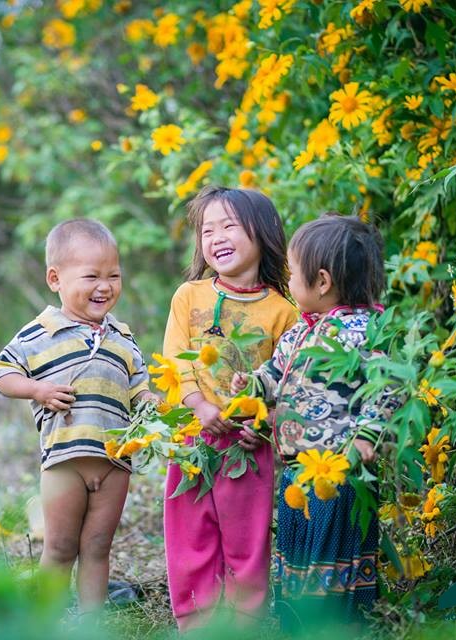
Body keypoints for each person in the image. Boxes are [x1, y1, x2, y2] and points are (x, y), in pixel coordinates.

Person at [231, 212, 399, 626]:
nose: (288, 282)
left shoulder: (364, 331)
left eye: (293, 273)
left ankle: (337, 625)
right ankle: (299, 623)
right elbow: (274, 375)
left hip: (338, 474)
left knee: (332, 554)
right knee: (299, 551)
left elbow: (389, 386)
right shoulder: (299, 332)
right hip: (297, 473)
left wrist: (367, 437)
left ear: (322, 281)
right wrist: (251, 386)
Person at [0, 219, 157, 611]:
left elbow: (138, 385)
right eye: (91, 276)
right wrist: (37, 389)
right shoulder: (39, 332)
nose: (105, 285)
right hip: (65, 460)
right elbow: (0, 374)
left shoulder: (123, 337)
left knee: (97, 548)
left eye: (114, 275)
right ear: (55, 278)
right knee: (61, 548)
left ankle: (91, 623)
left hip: (115, 461)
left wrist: (150, 402)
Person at [161, 186, 298, 630]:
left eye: (229, 226)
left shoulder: (284, 312)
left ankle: (243, 626)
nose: (215, 236)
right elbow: (174, 360)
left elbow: (288, 384)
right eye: (207, 229)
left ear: (263, 234)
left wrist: (264, 426)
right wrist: (198, 403)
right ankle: (196, 625)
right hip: (192, 437)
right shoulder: (189, 296)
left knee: (247, 541)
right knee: (189, 535)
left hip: (246, 444)